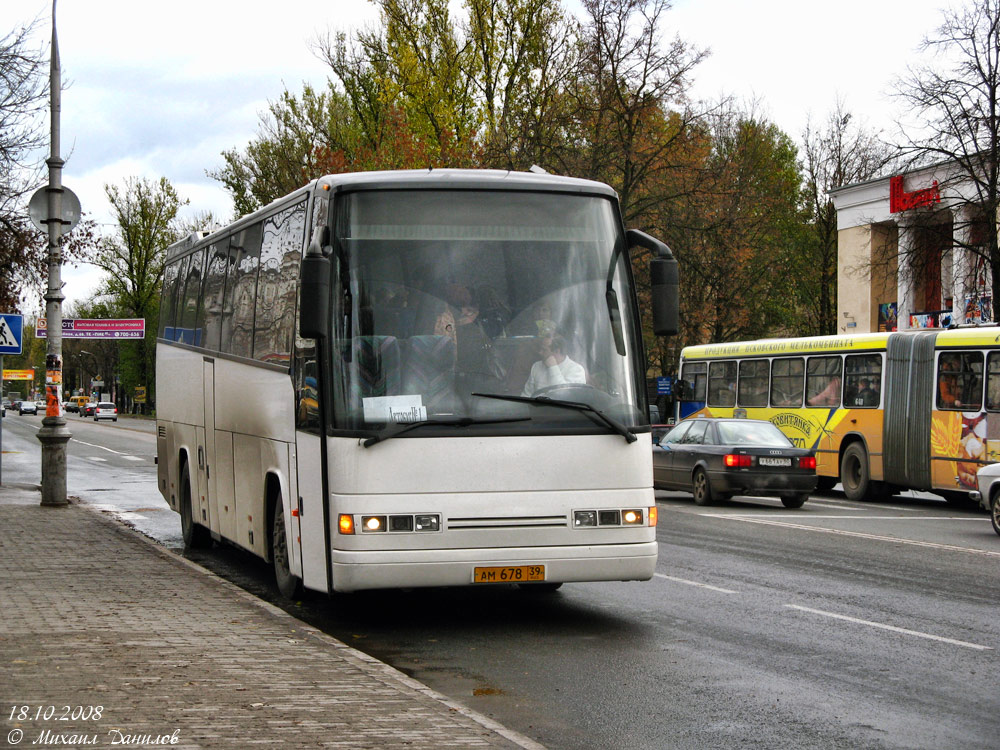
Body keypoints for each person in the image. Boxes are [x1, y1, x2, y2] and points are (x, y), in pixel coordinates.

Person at [521, 334, 586, 396]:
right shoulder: (537, 366)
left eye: (544, 350)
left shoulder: (576, 370)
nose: (540, 352)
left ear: (557, 351)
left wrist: (553, 368)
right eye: (540, 349)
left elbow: (564, 395)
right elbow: (527, 394)